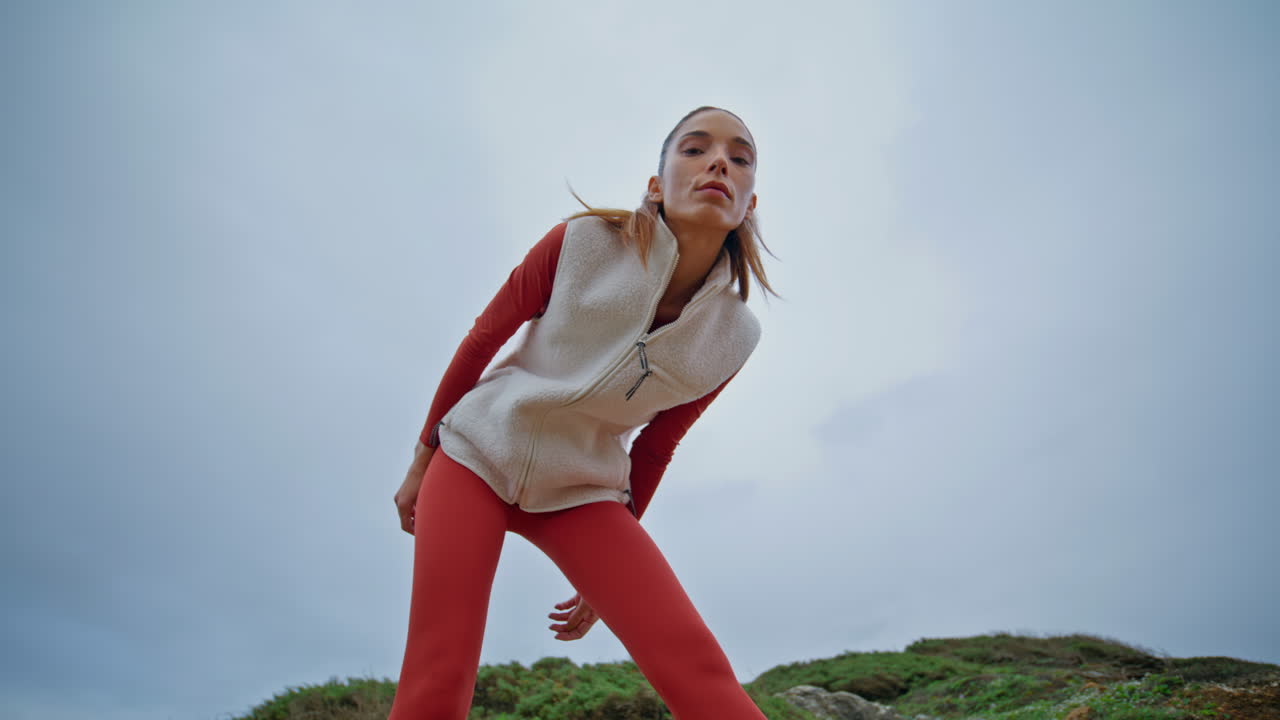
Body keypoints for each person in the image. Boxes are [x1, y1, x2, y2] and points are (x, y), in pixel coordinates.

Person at [388, 106, 778, 719]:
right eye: (695, 149)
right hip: (474, 456)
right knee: (439, 674)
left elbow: (656, 446)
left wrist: (611, 565)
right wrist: (424, 457)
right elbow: (480, 343)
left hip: (583, 490)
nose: (719, 162)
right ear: (656, 186)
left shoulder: (733, 336)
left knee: (698, 668)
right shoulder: (579, 244)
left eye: (740, 157)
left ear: (749, 203)